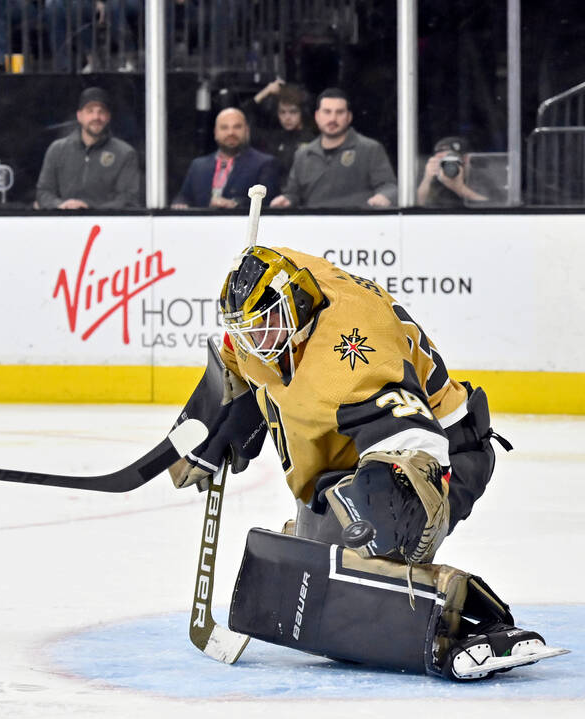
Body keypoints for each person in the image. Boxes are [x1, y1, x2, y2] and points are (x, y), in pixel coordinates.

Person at [165, 245, 565, 681]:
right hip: (350, 453)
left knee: (382, 512)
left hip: (445, 445)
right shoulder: (285, 299)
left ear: (294, 305)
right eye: (246, 332)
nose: (254, 343)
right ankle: (372, 558)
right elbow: (247, 319)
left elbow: (419, 445)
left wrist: (377, 508)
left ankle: (467, 617)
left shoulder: (351, 354)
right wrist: (220, 409)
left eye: (263, 327)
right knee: (315, 578)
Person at [270, 88, 397, 209]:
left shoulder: (370, 149)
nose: (332, 119)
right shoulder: (303, 154)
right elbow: (293, 193)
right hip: (313, 225)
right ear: (317, 116)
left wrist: (384, 196)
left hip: (358, 224)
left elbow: (389, 186)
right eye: (327, 112)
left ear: (349, 117)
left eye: (339, 112)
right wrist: (287, 200)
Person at [36, 86, 141, 209]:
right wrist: (60, 205)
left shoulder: (125, 153)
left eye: (101, 111)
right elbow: (43, 192)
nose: (96, 117)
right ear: (79, 116)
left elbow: (128, 199)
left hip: (107, 225)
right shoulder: (57, 150)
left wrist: (89, 208)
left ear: (108, 117)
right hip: (62, 223)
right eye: (90, 111)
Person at [171, 107, 278, 209]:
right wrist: (180, 203)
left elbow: (267, 202)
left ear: (247, 130)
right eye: (224, 127)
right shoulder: (198, 165)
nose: (231, 132)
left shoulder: (264, 163)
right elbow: (184, 196)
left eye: (237, 127)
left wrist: (234, 204)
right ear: (215, 133)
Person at [242, 78, 314, 177]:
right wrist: (265, 92)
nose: (287, 117)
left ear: (302, 112)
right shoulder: (274, 137)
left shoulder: (311, 141)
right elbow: (239, 117)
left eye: (293, 112)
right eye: (282, 112)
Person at [417, 136, 500, 207]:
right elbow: (418, 206)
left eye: (454, 159)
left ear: (466, 159)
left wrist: (460, 189)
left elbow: (494, 207)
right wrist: (427, 178)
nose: (450, 165)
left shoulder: (479, 179)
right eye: (443, 160)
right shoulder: (436, 181)